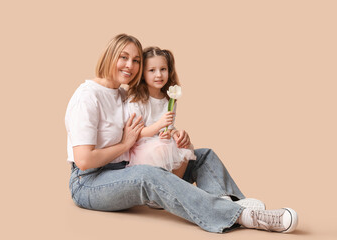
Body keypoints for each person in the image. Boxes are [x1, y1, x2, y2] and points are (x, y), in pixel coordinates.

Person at [65, 33, 298, 234]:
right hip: (90, 182)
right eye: (123, 57)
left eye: (136, 60)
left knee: (202, 155)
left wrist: (178, 139)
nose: (130, 65)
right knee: (149, 174)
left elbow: (148, 131)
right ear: (109, 56)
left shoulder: (123, 94)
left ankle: (230, 203)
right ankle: (243, 217)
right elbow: (84, 161)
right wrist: (125, 144)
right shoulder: (87, 97)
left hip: (126, 170)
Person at [125, 47, 196, 176]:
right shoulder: (136, 100)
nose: (159, 75)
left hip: (161, 142)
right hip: (142, 146)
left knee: (185, 148)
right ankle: (164, 190)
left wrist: (173, 133)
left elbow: (168, 128)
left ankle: (177, 188)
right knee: (162, 149)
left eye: (163, 69)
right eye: (152, 70)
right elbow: (137, 134)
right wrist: (160, 125)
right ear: (142, 74)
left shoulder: (169, 99)